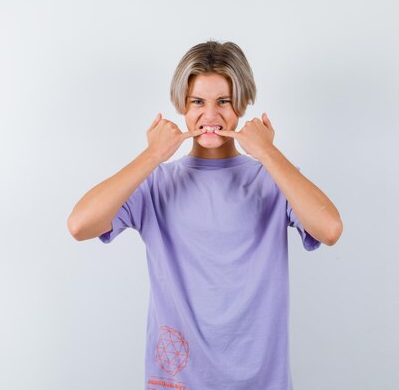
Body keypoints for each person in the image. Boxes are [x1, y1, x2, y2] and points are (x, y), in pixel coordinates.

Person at [67, 40, 343, 390]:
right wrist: (152, 156)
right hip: (177, 380)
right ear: (182, 105)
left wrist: (268, 153)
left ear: (241, 104)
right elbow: (79, 225)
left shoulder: (272, 181)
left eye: (223, 101)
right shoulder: (156, 184)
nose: (210, 116)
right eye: (197, 101)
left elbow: (330, 229)